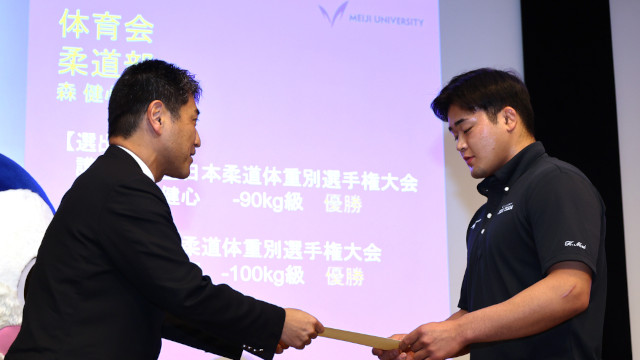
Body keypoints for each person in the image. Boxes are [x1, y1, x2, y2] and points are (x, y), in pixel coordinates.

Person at [6, 59, 323, 360]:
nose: (197, 139)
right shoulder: (124, 187)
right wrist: (276, 321)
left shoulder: (110, 179)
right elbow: (183, 290)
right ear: (157, 117)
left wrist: (257, 333)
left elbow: (158, 302)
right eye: (193, 121)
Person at [373, 68, 606, 360]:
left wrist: (460, 331)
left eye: (466, 129)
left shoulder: (555, 181)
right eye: (454, 134)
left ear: (508, 118)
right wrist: (414, 344)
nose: (459, 144)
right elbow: (475, 314)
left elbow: (570, 289)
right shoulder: (484, 215)